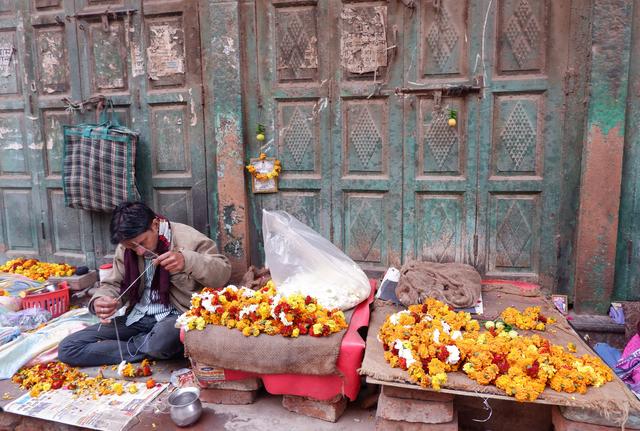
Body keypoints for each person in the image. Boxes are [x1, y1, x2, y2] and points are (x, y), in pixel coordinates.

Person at [58, 202, 231, 366]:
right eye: (133, 247)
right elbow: (113, 285)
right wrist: (101, 300)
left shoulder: (189, 239)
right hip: (137, 317)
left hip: (176, 317)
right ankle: (148, 347)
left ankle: (149, 346)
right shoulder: (126, 247)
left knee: (162, 339)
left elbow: (222, 274)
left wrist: (188, 261)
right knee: (68, 348)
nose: (139, 251)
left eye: (142, 243)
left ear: (155, 225)